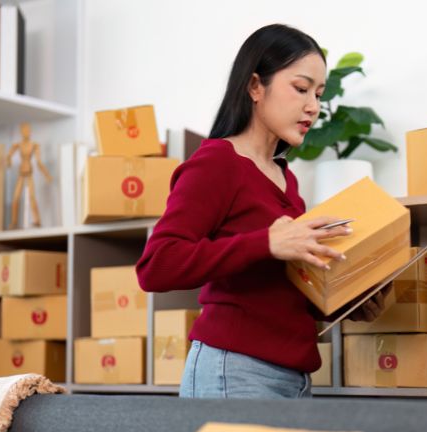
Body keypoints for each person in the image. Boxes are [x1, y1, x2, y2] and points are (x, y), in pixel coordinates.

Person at [136, 24, 388, 399]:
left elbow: (275, 293)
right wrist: (266, 242)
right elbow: (156, 266)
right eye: (301, 89)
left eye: (318, 94)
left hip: (292, 378)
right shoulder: (217, 163)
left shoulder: (286, 180)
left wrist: (347, 304)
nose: (313, 107)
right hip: (235, 372)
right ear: (255, 87)